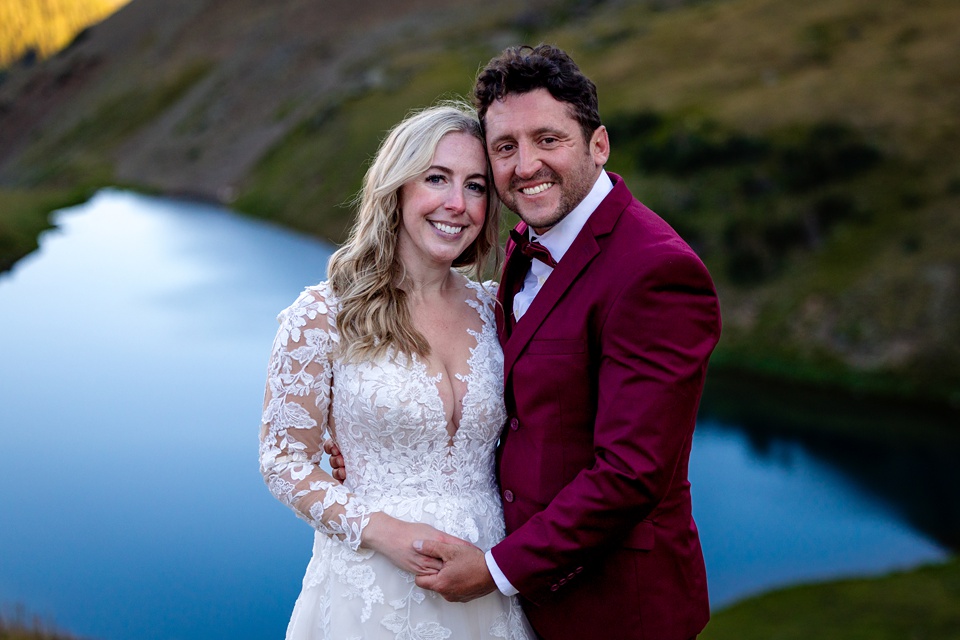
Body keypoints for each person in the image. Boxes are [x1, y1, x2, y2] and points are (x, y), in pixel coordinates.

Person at [404, 44, 722, 640]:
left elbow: (630, 473)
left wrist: (498, 570)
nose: (525, 166)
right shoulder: (528, 237)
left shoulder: (656, 272)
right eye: (505, 148)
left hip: (617, 611)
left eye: (547, 139)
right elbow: (523, 406)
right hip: (529, 605)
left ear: (597, 145)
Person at [259, 102, 534, 639]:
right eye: (437, 178)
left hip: (485, 583)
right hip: (371, 586)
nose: (457, 204)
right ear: (398, 187)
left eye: (476, 186)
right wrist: (383, 532)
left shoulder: (495, 311)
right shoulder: (323, 313)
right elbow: (283, 460)